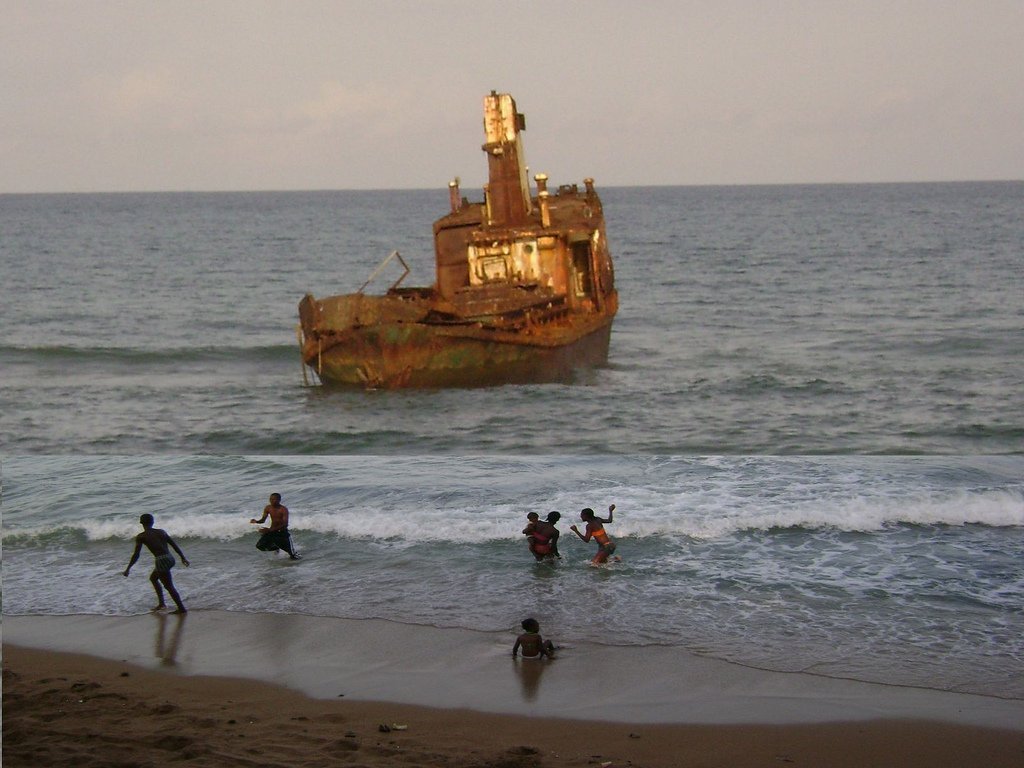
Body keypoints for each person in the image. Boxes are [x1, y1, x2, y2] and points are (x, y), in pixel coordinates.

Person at [123, 513, 190, 613]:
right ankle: (161, 604)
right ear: (153, 522)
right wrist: (183, 557)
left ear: (141, 523)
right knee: (153, 578)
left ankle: (181, 608)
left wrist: (128, 568)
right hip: (170, 558)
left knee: (168, 586)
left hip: (161, 560)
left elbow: (136, 554)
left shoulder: (141, 536)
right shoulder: (161, 532)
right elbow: (174, 545)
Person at [250, 492, 300, 559]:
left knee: (292, 556)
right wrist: (256, 521)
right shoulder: (268, 508)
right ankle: (277, 547)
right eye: (271, 499)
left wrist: (269, 530)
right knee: (260, 546)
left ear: (279, 500)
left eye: (274, 499)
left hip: (282, 532)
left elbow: (285, 524)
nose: (272, 501)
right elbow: (263, 520)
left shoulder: (283, 509)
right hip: (271, 531)